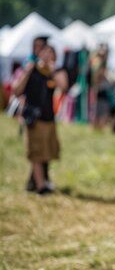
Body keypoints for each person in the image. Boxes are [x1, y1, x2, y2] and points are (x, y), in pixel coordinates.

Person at [13, 45, 68, 195]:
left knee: (47, 153)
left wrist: (51, 70)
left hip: (48, 118)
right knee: (36, 153)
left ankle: (38, 182)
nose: (47, 55)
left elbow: (63, 87)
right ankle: (41, 186)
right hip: (33, 118)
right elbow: (16, 91)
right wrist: (29, 70)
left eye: (51, 52)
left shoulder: (54, 71)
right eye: (45, 52)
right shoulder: (31, 70)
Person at [90, 45, 112, 130]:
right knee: (100, 108)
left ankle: (97, 125)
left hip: (98, 88)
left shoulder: (96, 61)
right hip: (99, 88)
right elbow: (97, 76)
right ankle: (98, 125)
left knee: (98, 107)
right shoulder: (98, 62)